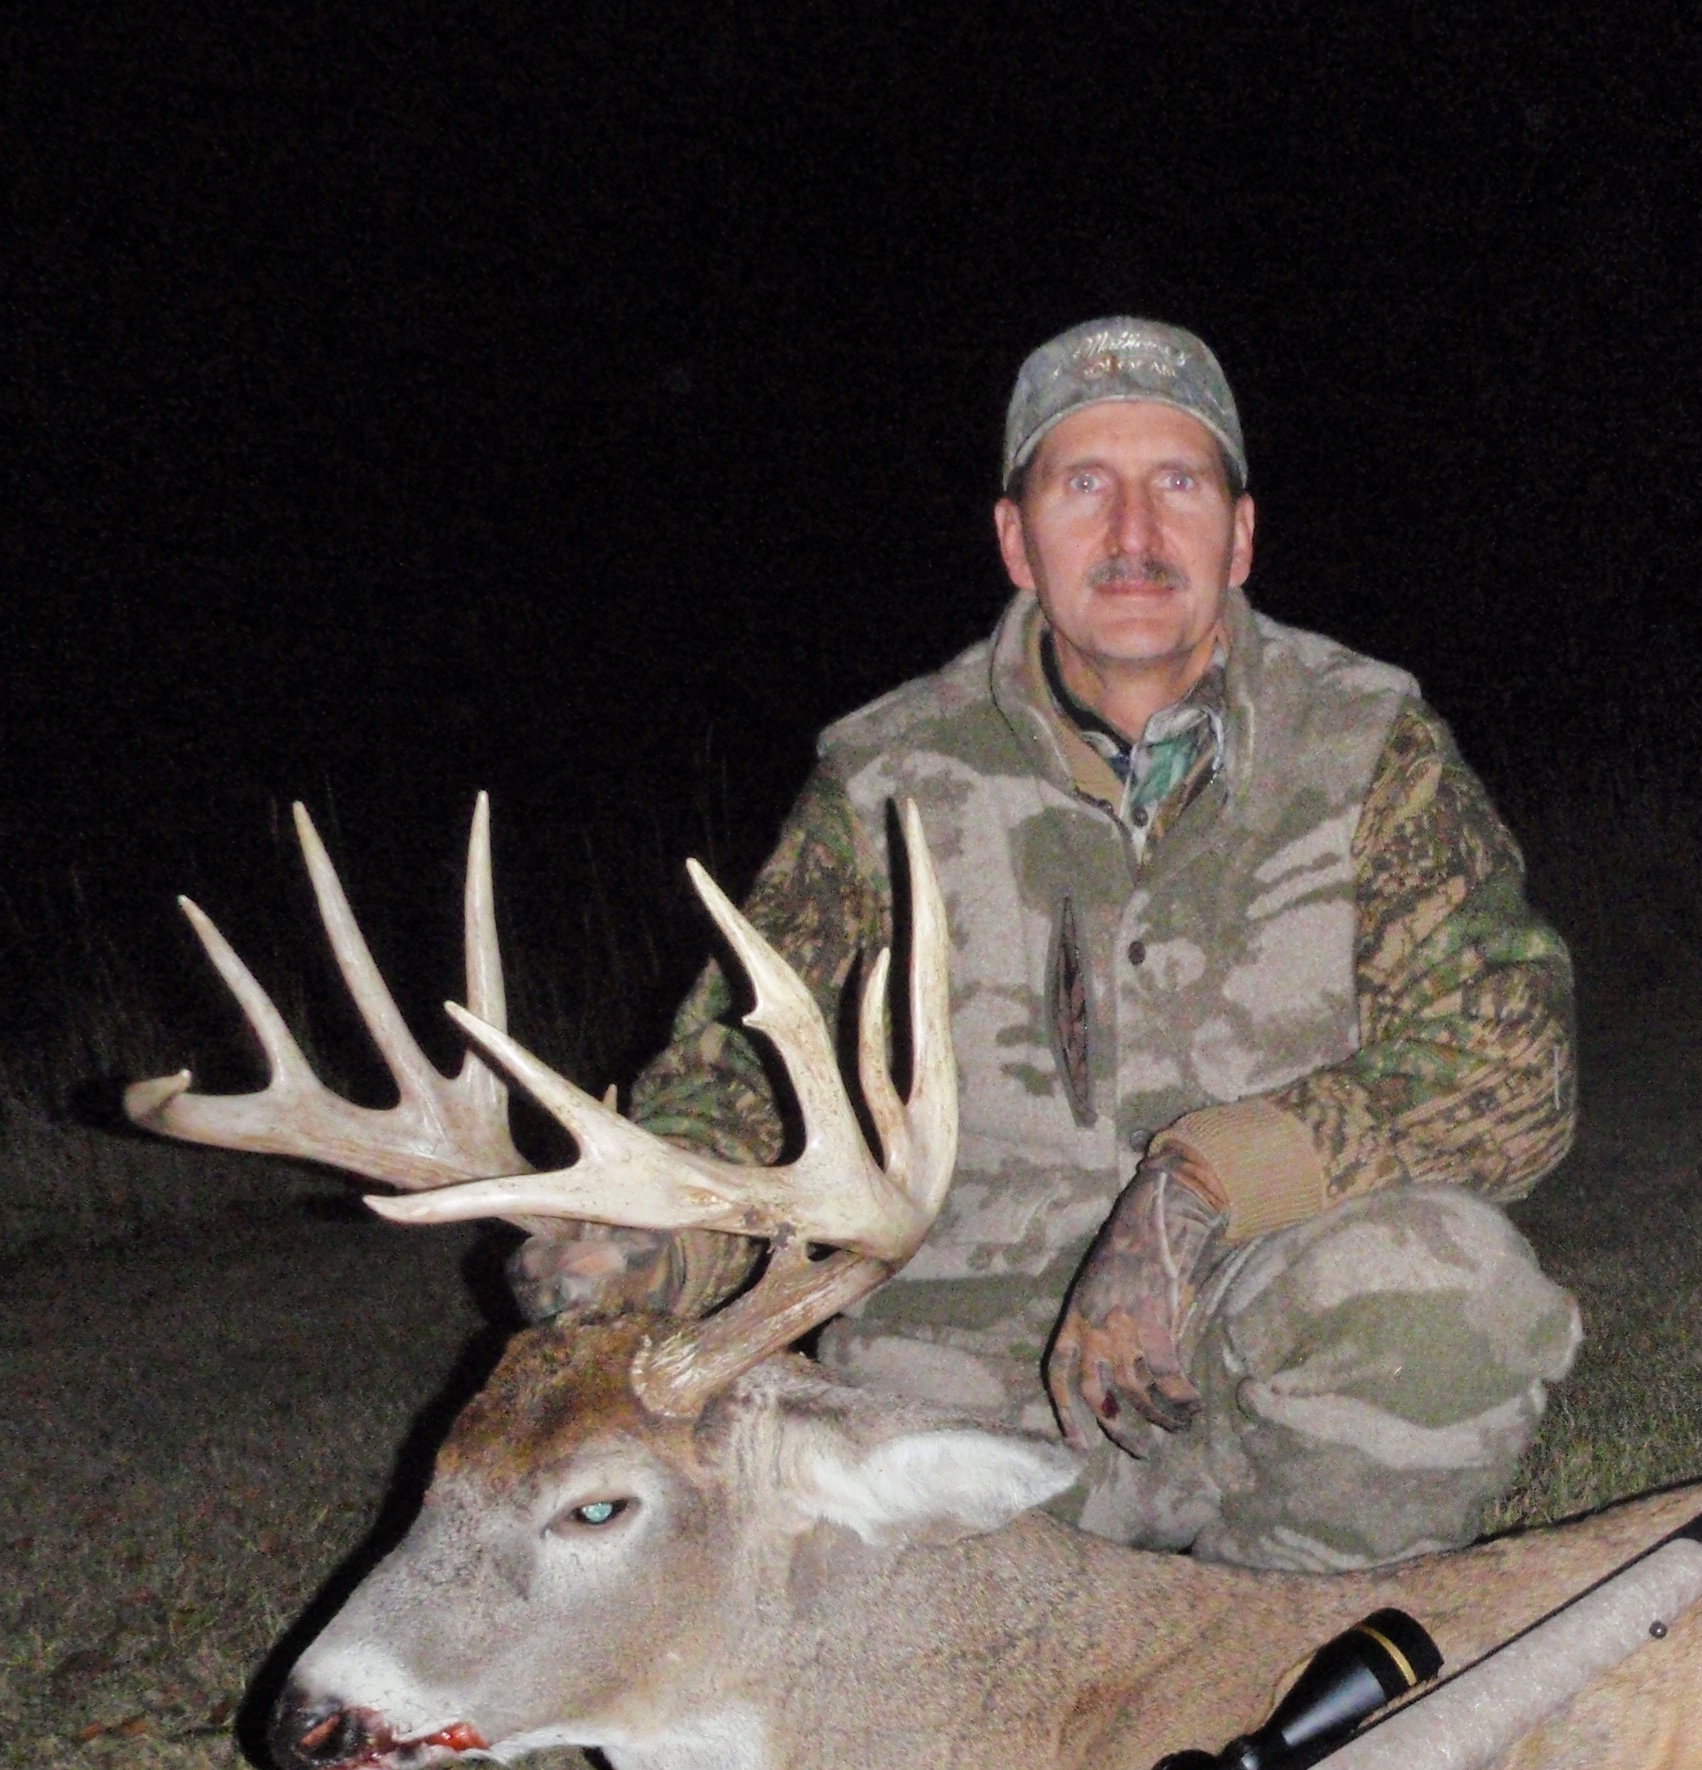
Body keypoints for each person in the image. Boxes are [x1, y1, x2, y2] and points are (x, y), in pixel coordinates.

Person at [516, 317, 1580, 1571]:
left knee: (1451, 1301)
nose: (1134, 533)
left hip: (1257, 1345)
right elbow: (740, 1078)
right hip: (963, 1381)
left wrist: (1193, 1190)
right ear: (1018, 538)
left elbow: (1515, 1072)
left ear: (1239, 534)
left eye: (1177, 483)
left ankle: (1289, 1616)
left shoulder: (1364, 742)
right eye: (1085, 486)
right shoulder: (887, 774)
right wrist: (655, 1241)